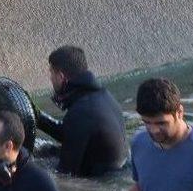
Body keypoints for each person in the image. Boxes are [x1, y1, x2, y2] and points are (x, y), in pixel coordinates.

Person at [37, 45, 128, 177]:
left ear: (61, 77)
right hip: (117, 168)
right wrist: (36, 116)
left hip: (100, 183)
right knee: (47, 151)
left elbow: (65, 174)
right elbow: (71, 132)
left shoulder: (82, 112)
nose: (51, 78)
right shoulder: (103, 96)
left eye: (52, 73)